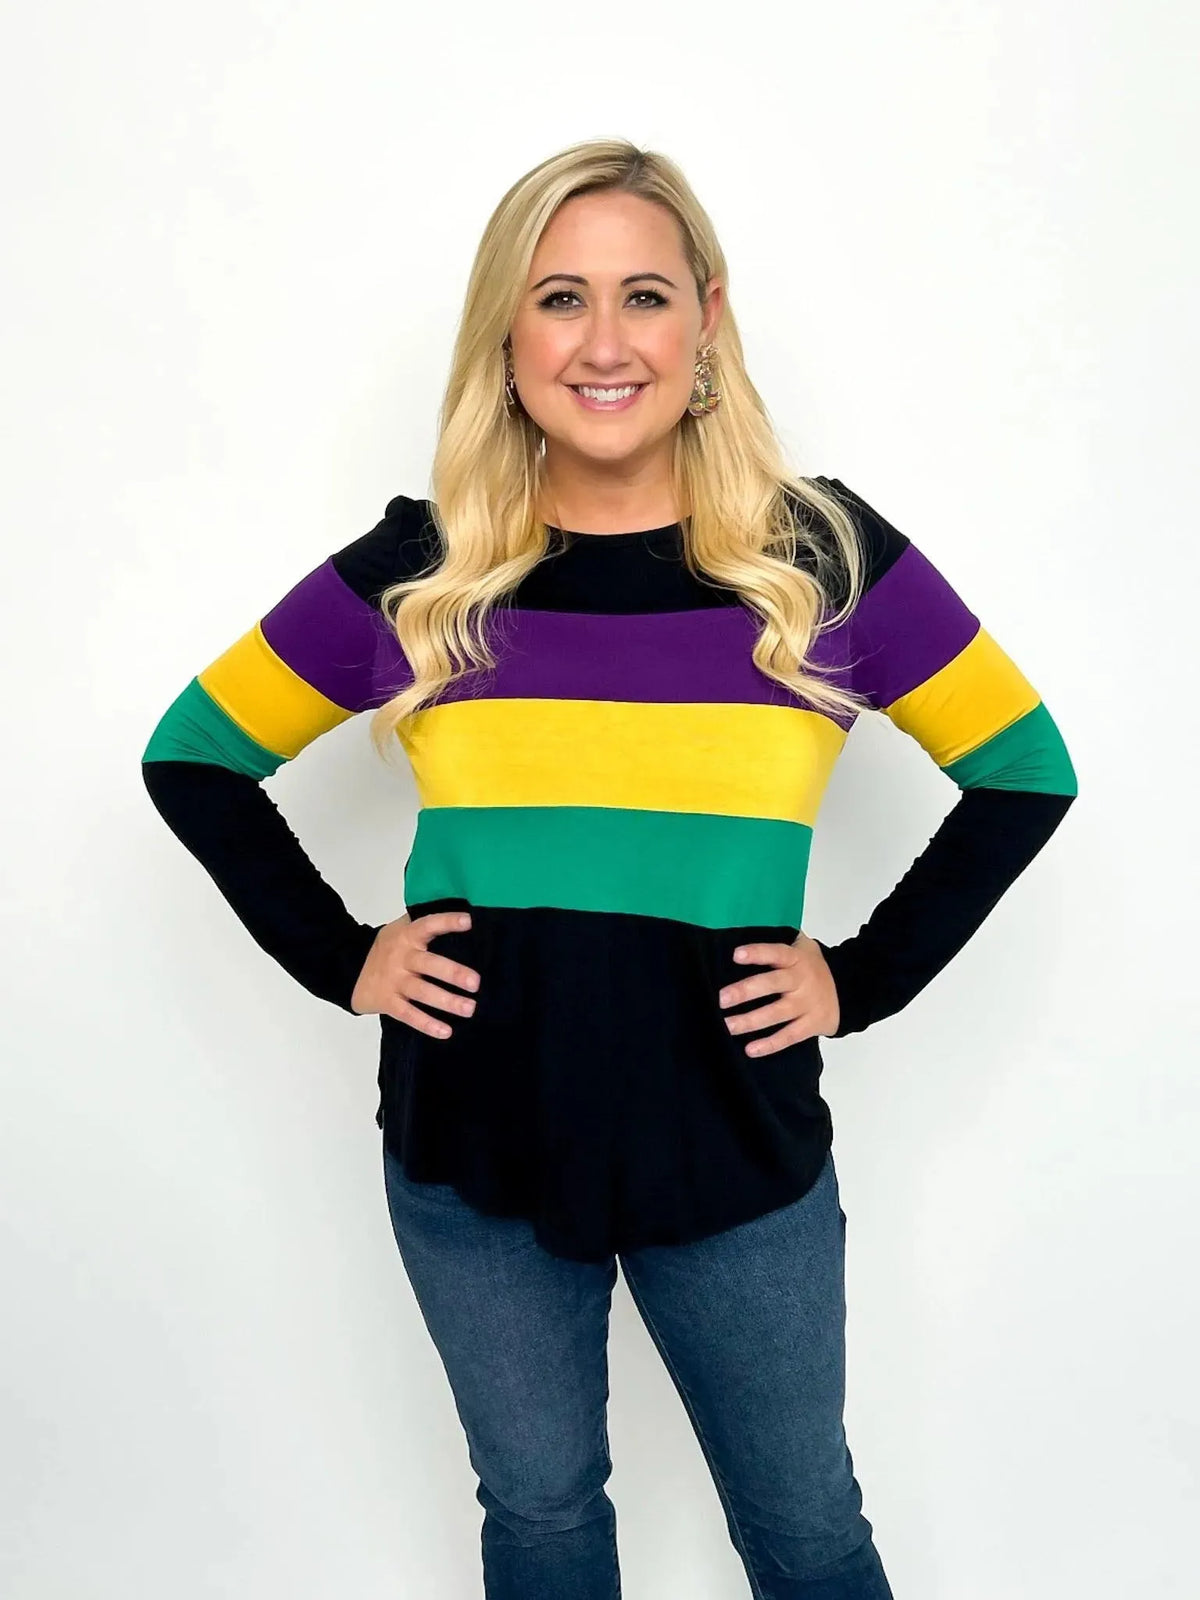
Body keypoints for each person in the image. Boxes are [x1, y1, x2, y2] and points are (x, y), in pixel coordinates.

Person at [141, 138, 1078, 1599]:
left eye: (644, 295)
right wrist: (343, 956)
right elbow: (195, 754)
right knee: (540, 1520)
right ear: (505, 334)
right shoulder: (426, 568)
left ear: (707, 318)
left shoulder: (818, 558)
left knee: (807, 1532)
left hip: (735, 1143)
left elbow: (1025, 768)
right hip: (472, 1146)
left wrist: (862, 978)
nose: (603, 342)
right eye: (559, 297)